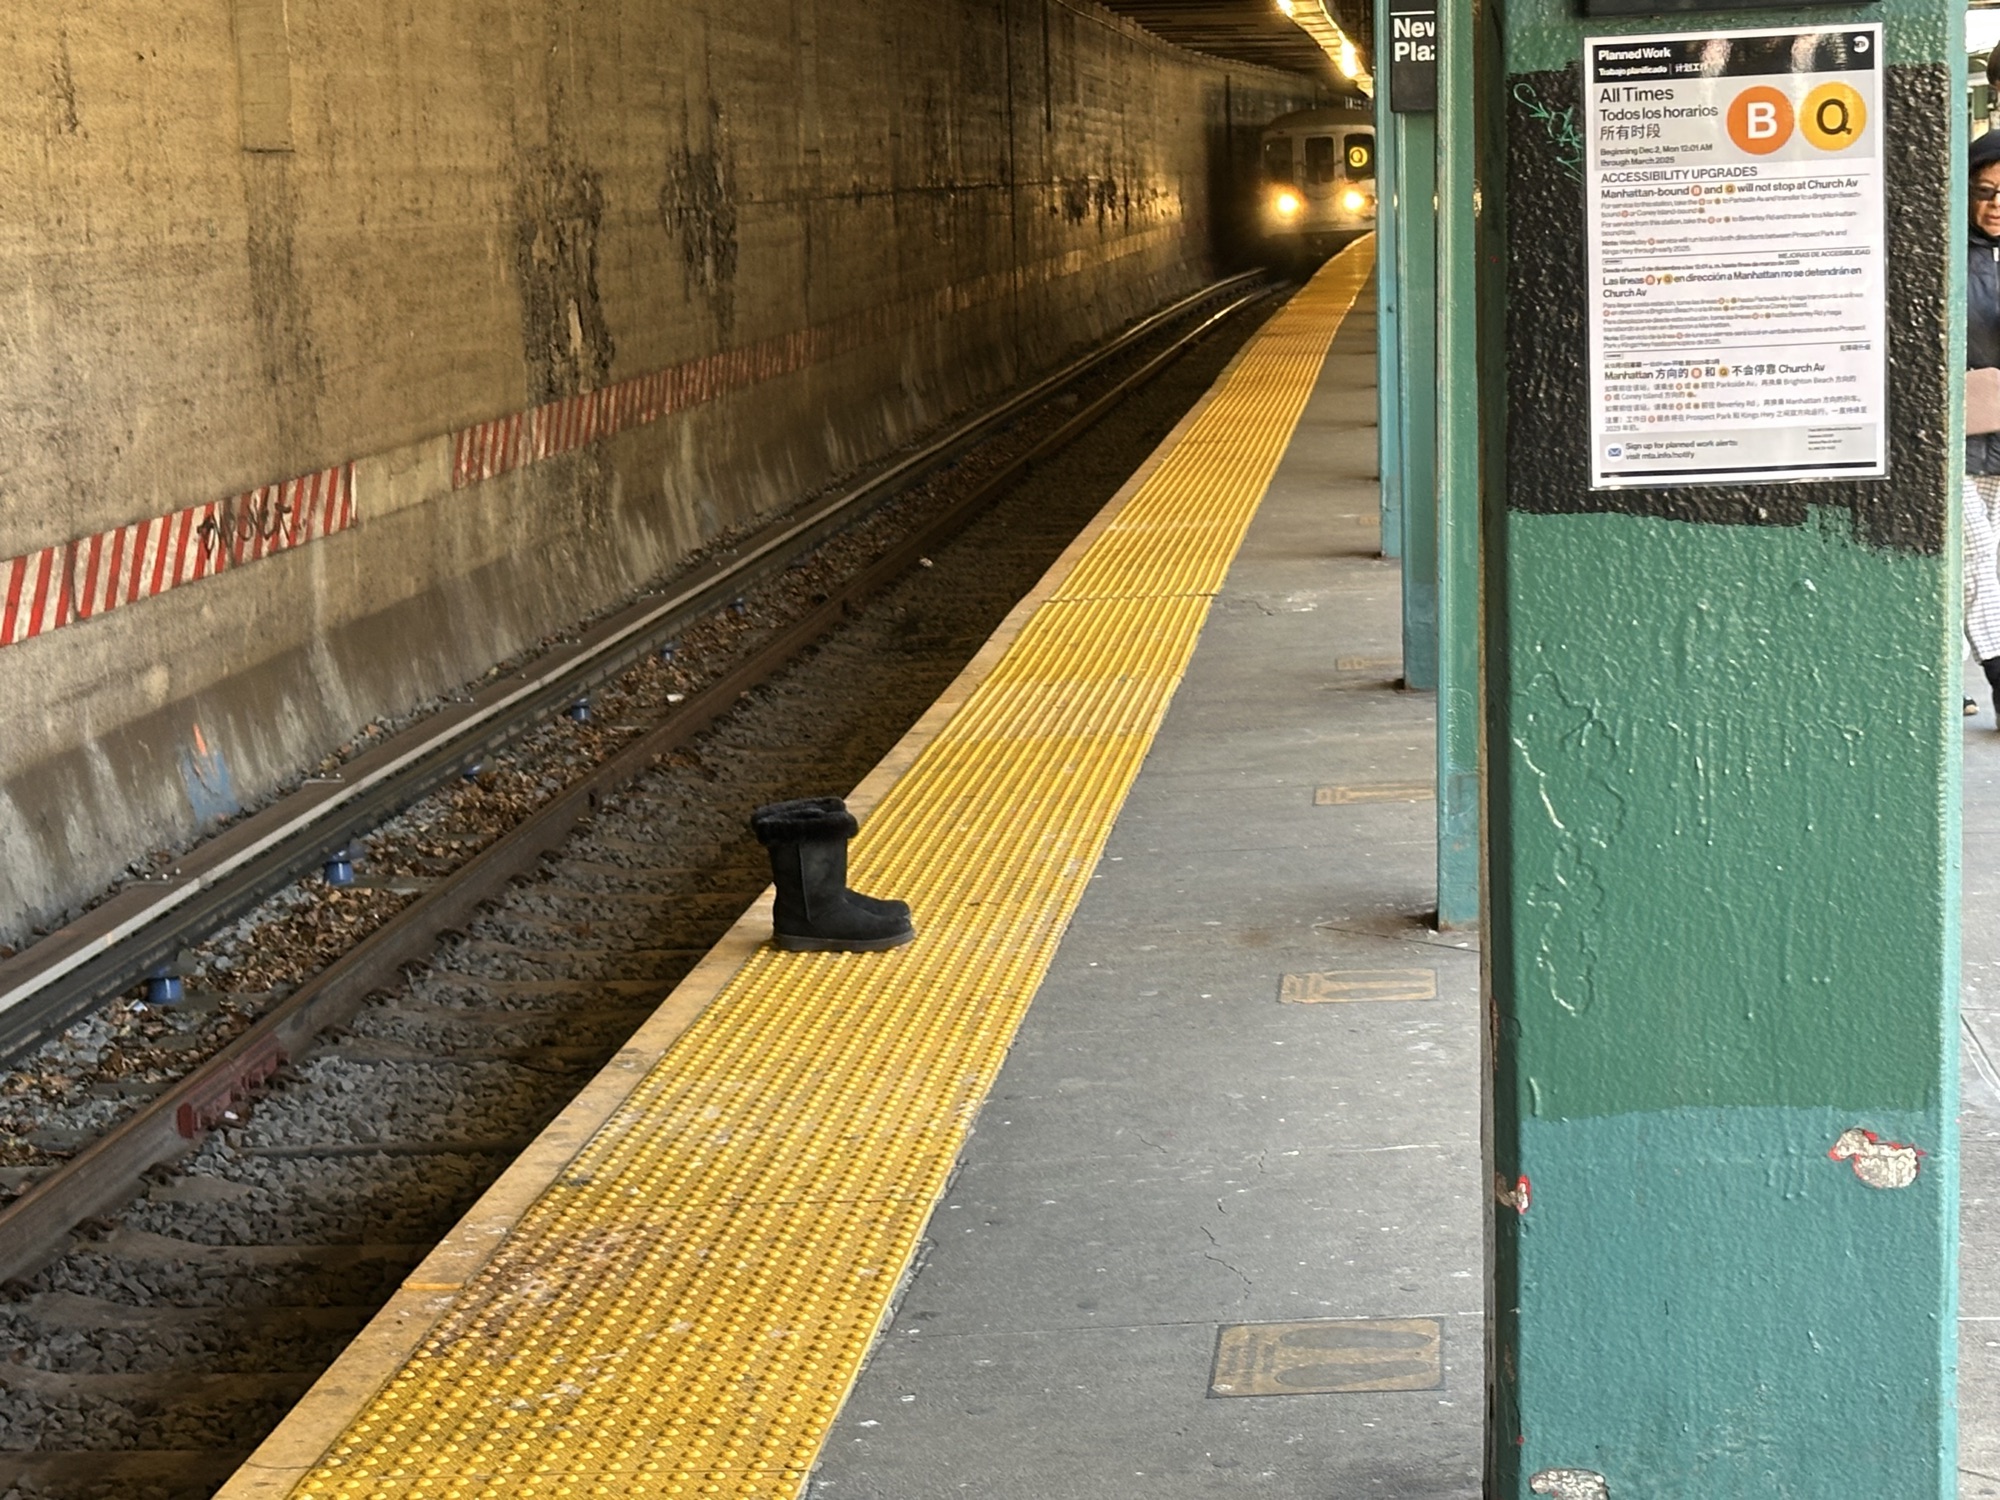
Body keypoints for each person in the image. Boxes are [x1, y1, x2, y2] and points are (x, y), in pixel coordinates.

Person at [1965, 128, 2000, 716]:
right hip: (1959, 434)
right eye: (1986, 190)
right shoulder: (1943, 251)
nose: (1997, 205)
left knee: (1984, 565)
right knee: (1975, 556)